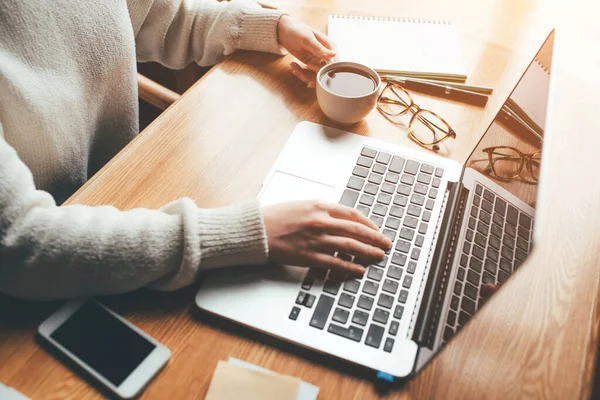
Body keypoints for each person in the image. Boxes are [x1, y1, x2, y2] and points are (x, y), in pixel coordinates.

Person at [0, 0, 391, 300]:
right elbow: (19, 244)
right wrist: (247, 235)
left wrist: (274, 28)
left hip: (129, 192)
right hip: (61, 277)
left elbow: (165, 18)